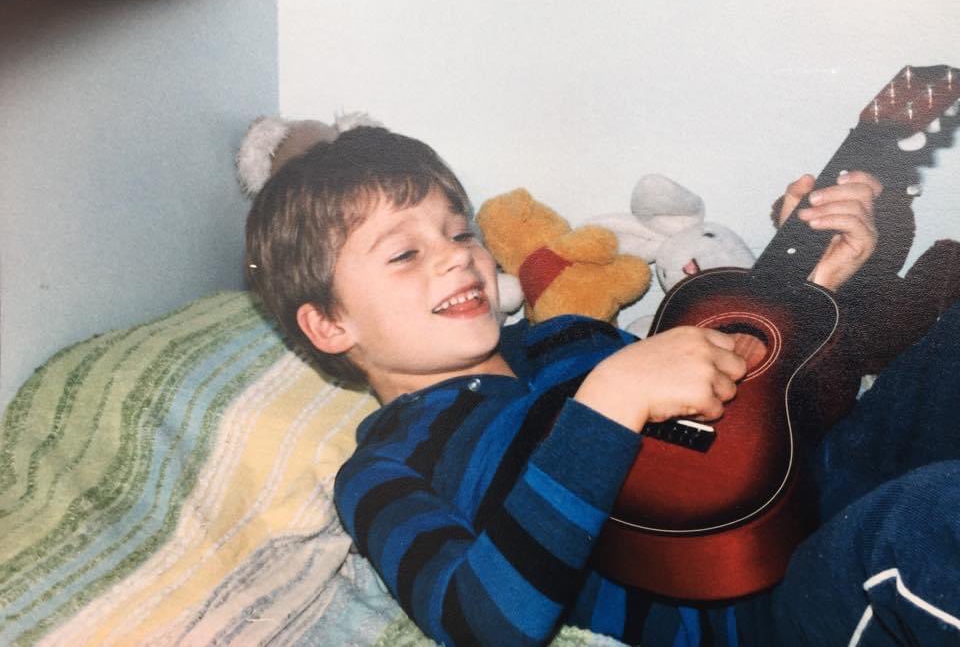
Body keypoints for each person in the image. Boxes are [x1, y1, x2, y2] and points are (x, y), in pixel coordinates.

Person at [245, 126, 959, 646]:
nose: (457, 259)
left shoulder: (567, 338)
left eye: (460, 233)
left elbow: (741, 439)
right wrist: (608, 403)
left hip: (827, 486)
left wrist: (820, 287)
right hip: (762, 618)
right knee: (928, 516)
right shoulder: (382, 469)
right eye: (405, 252)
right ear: (329, 324)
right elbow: (479, 622)